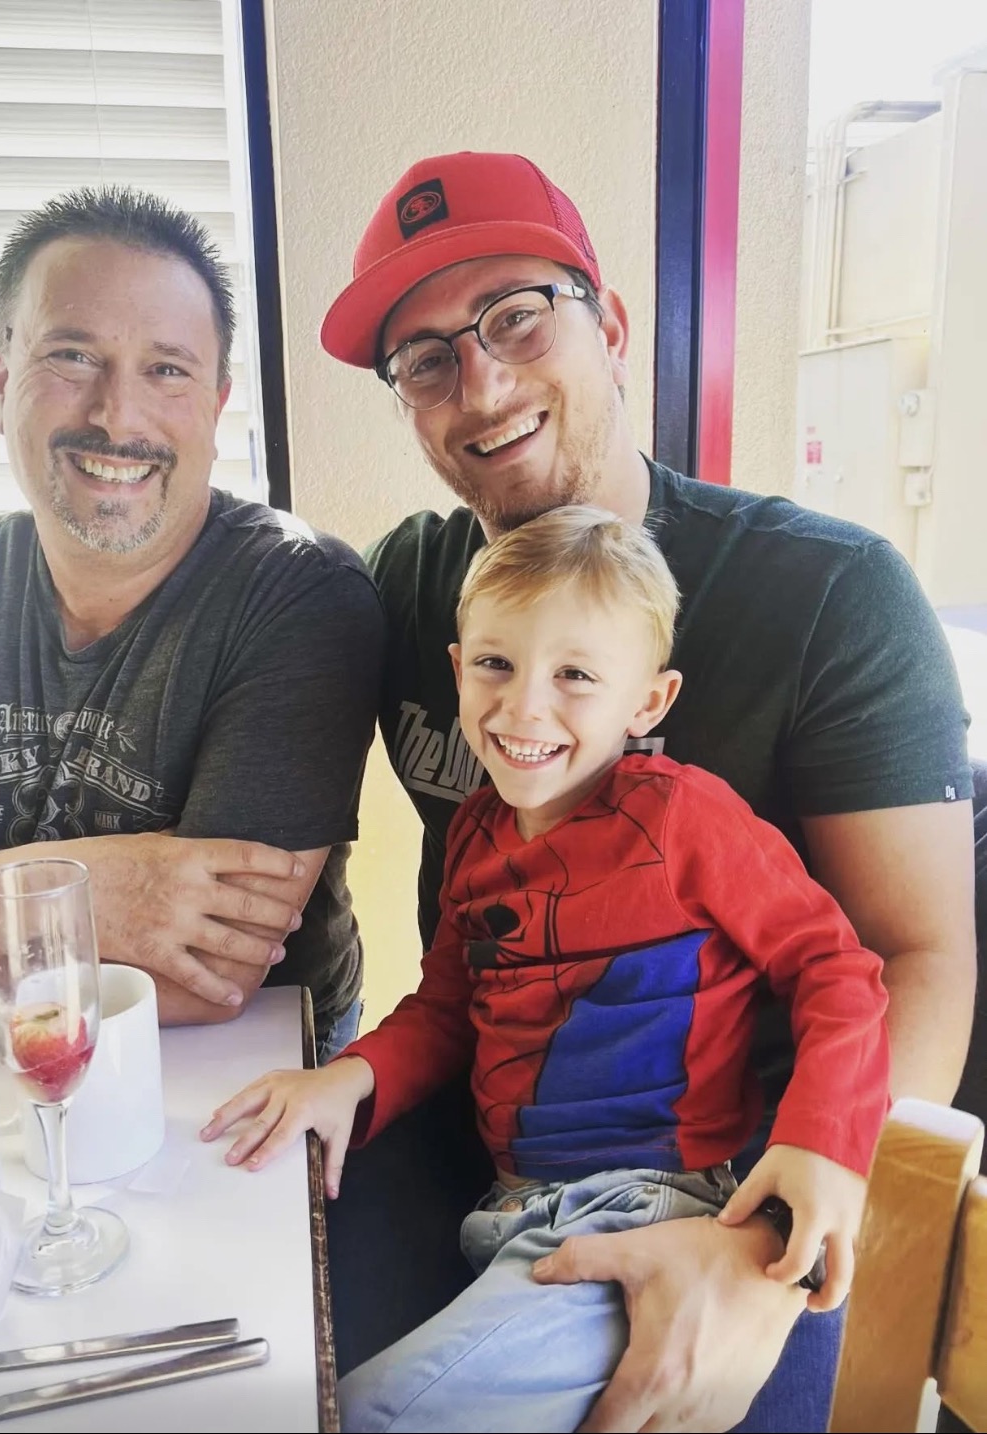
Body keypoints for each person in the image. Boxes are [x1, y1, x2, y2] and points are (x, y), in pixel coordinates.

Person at [317, 151, 976, 1432]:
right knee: (270, 1348)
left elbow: (918, 957)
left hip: (735, 1174)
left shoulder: (830, 596)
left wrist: (766, 1253)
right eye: (426, 359)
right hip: (487, 1132)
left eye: (517, 316)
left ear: (612, 326)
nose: (481, 384)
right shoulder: (404, 586)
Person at [204, 506, 891, 1432]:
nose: (525, 707)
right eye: (497, 664)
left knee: (365, 1414)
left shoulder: (684, 818)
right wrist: (347, 1077)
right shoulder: (475, 834)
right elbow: (446, 1007)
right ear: (457, 669)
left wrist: (821, 1146)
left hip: (644, 1211)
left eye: (575, 675)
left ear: (648, 702)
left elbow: (835, 968)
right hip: (509, 1214)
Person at [0, 187, 384, 1060]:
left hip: (236, 1069)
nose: (118, 415)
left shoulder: (300, 593)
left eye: (168, 369)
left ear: (217, 404)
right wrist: (103, 886)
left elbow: (208, 974)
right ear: (1, 381)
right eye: (73, 357)